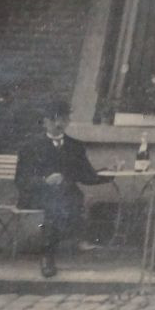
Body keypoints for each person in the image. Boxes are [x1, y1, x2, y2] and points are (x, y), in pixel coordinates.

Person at [15, 98, 109, 278]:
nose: (59, 124)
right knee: (56, 202)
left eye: (63, 120)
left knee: (63, 200)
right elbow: (21, 180)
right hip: (37, 194)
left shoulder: (75, 146)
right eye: (54, 120)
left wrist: (109, 174)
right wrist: (45, 181)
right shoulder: (30, 147)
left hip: (67, 197)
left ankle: (51, 252)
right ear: (45, 122)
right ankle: (49, 256)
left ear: (68, 121)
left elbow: (86, 175)